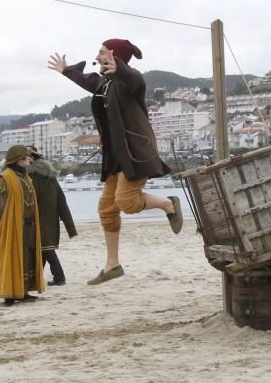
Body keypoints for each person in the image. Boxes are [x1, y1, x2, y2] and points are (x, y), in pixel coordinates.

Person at [48, 39, 183, 286]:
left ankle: (168, 203)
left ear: (113, 54)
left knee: (126, 202)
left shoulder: (129, 82)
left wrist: (120, 67)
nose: (97, 57)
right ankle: (113, 265)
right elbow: (88, 81)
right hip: (115, 157)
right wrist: (67, 71)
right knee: (107, 210)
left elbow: (135, 79)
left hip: (135, 154)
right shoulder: (105, 83)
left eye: (101, 52)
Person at [0, 145, 44, 305]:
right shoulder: (5, 178)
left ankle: (24, 291)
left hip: (28, 225)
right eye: (26, 158)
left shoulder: (26, 177)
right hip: (11, 226)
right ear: (17, 160)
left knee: (26, 258)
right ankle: (10, 294)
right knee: (11, 257)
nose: (29, 160)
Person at [26, 146, 77, 286]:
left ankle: (59, 277)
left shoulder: (31, 175)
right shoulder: (50, 175)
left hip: (37, 219)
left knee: (45, 249)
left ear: (32, 158)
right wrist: (70, 226)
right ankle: (45, 278)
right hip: (49, 219)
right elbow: (61, 200)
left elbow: (30, 200)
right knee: (44, 249)